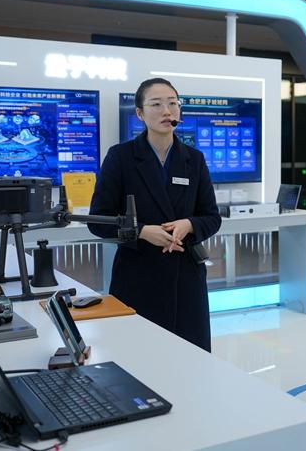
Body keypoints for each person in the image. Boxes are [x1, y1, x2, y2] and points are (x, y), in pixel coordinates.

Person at [89, 78, 221, 352]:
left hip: (186, 278)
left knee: (190, 357)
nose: (167, 111)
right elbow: (98, 220)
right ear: (140, 113)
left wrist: (189, 224)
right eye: (156, 104)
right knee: (139, 357)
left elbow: (211, 217)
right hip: (138, 276)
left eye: (173, 103)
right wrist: (141, 232)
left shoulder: (194, 159)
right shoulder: (121, 157)